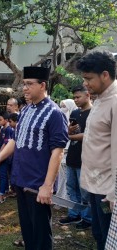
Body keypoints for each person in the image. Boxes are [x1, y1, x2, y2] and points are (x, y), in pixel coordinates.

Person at [0, 66, 68, 249]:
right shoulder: (25, 111)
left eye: (29, 84)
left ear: (43, 85)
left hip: (38, 185)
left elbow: (58, 151)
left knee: (41, 237)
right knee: (28, 234)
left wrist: (47, 186)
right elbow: (15, 141)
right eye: (24, 84)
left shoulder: (54, 113)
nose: (25, 88)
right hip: (20, 180)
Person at [72, 51, 117, 250]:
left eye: (89, 79)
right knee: (99, 235)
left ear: (105, 75)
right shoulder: (99, 100)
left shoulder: (115, 102)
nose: (86, 84)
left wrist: (114, 194)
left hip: (107, 190)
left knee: (109, 238)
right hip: (94, 184)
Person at [58, 86, 92, 230]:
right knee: (71, 188)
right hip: (72, 155)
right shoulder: (75, 112)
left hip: (85, 159)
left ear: (87, 95)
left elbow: (88, 135)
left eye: (78, 97)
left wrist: (68, 136)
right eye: (74, 97)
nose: (75, 100)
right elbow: (68, 130)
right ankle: (74, 214)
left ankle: (87, 218)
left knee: (84, 191)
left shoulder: (93, 113)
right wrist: (68, 131)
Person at [0, 111, 14, 205]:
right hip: (1, 155)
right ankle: (5, 191)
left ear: (6, 120)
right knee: (3, 174)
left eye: (1, 120)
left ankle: (1, 196)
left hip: (5, 156)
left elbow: (6, 144)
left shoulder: (9, 129)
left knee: (3, 175)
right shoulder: (2, 129)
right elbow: (0, 140)